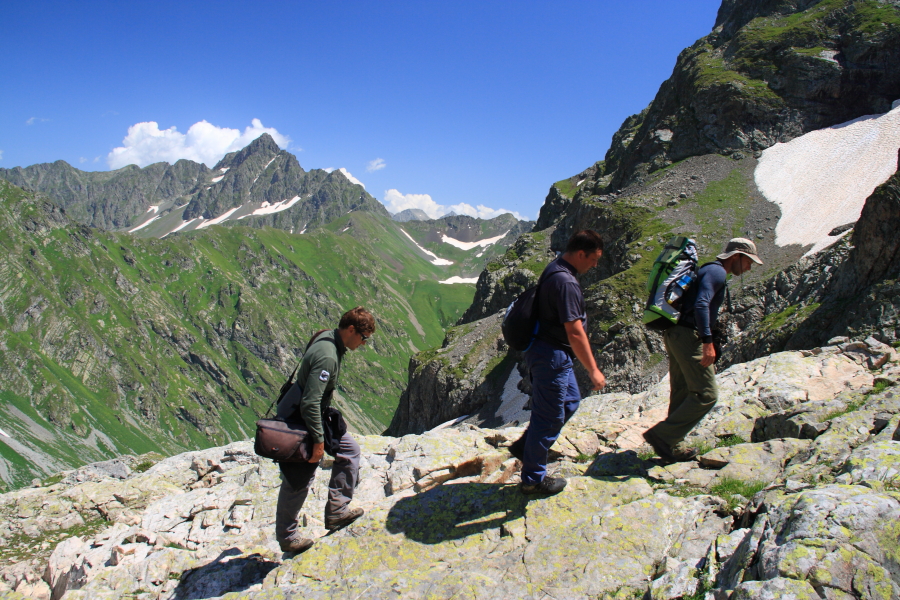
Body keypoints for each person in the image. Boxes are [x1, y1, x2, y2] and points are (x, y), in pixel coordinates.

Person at [643, 238, 762, 463]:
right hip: (689, 336)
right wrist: (707, 341)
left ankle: (673, 447)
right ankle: (662, 436)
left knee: (683, 389)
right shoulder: (717, 273)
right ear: (736, 256)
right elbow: (702, 304)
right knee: (707, 394)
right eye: (748, 262)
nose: (749, 268)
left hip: (675, 333)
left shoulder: (708, 270)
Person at [509, 230, 607, 495]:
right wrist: (594, 370)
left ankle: (526, 446)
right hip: (551, 356)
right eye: (593, 259)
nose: (595, 265)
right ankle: (533, 479)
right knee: (549, 416)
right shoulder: (565, 282)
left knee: (569, 402)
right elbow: (575, 332)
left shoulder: (556, 268)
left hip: (550, 353)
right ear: (580, 254)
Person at [273, 306, 376, 553]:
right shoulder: (328, 356)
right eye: (363, 338)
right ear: (351, 330)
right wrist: (318, 443)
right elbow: (310, 402)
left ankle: (338, 511)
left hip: (308, 410)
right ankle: (288, 538)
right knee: (299, 476)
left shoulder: (326, 335)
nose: (363, 344)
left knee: (350, 449)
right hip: (300, 418)